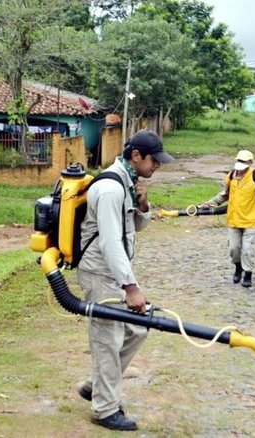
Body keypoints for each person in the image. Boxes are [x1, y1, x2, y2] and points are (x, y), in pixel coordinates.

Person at [76, 129, 173, 430]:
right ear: (136, 156)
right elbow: (109, 242)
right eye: (153, 160)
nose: (157, 165)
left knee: (138, 328)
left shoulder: (128, 183)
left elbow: (133, 228)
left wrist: (143, 205)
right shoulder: (110, 188)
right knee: (107, 339)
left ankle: (96, 384)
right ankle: (104, 409)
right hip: (101, 273)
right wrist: (131, 287)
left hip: (114, 272)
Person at [200, 150, 255, 288]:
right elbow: (224, 195)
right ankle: (238, 268)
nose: (241, 164)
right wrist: (209, 203)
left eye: (245, 162)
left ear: (250, 163)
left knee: (247, 249)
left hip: (250, 219)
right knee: (234, 249)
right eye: (240, 161)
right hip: (233, 218)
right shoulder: (232, 175)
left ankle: (248, 274)